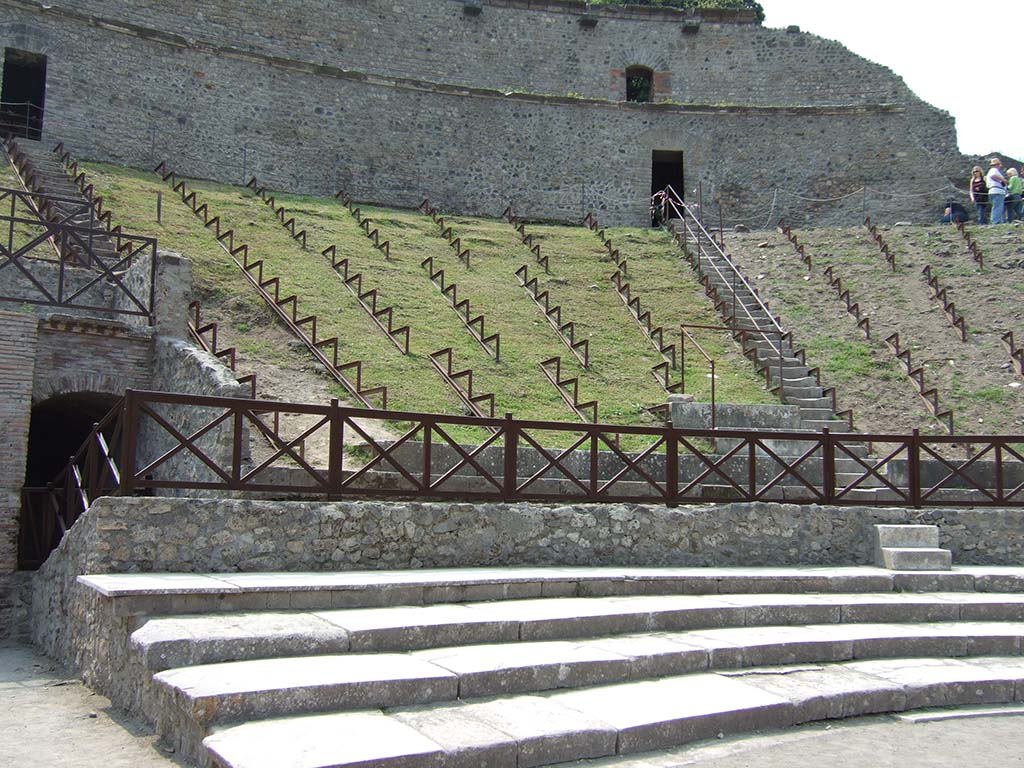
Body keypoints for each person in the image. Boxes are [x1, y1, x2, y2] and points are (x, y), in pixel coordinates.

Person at [986, 158, 1008, 224]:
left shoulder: (992, 171)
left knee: (997, 207)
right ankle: (995, 222)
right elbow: (993, 176)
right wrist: (1003, 180)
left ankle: (999, 222)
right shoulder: (994, 170)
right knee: (997, 207)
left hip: (994, 190)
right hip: (997, 190)